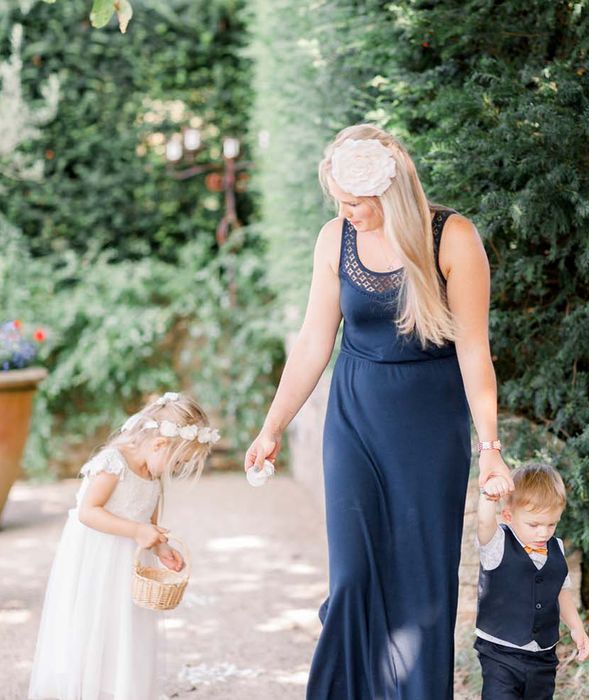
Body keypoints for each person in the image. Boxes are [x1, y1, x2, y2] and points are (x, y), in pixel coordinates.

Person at [244, 123, 512, 699]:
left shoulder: (452, 238)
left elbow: (474, 351)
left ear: (388, 192)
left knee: (422, 583)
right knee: (351, 579)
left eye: (354, 203)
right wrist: (272, 426)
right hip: (354, 419)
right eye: (338, 201)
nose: (345, 212)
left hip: (429, 427)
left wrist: (491, 450)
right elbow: (315, 341)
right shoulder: (333, 239)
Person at [28, 392, 220, 700]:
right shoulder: (112, 464)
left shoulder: (152, 473)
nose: (174, 470)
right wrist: (135, 530)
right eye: (178, 462)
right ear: (160, 444)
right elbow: (87, 511)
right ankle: (86, 688)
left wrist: (160, 548)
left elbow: (149, 519)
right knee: (94, 625)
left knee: (124, 631)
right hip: (97, 560)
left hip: (128, 565)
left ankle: (117, 688)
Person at [475, 462, 589, 700]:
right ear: (508, 515)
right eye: (534, 524)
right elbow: (484, 524)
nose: (544, 533)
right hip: (501, 654)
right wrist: (488, 497)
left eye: (552, 524)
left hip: (543, 656)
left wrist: (576, 627)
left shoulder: (555, 547)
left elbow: (560, 589)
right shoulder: (497, 544)